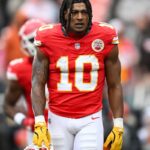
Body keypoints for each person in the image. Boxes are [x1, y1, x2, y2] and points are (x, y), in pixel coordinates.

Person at [31, 0, 124, 150]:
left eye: (84, 12)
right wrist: (39, 120)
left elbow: (114, 84)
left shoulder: (105, 36)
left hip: (91, 119)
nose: (80, 17)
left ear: (90, 15)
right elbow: (37, 82)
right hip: (57, 119)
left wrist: (118, 124)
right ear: (65, 14)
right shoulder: (47, 37)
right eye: (75, 12)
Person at [3, 19, 47, 146]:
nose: (37, 43)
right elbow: (7, 105)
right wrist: (24, 121)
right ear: (24, 43)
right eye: (32, 39)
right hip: (38, 130)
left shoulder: (61, 62)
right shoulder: (19, 69)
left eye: (39, 38)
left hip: (65, 124)